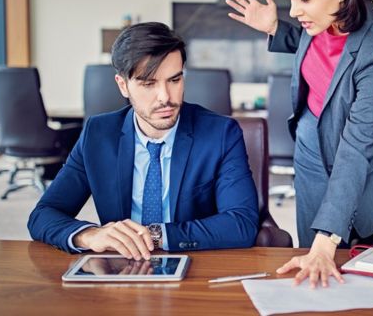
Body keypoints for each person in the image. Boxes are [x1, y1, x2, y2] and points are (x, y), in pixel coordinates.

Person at [226, 0, 373, 287]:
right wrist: (275, 28)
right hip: (309, 151)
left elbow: (356, 146)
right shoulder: (322, 19)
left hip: (358, 168)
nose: (293, 10)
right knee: (312, 271)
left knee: (363, 280)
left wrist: (328, 240)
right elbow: (310, 44)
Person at [28, 22, 259, 260]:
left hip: (195, 264)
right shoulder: (98, 134)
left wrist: (153, 235)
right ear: (123, 85)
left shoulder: (220, 133)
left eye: (174, 80)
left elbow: (242, 223)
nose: (165, 98)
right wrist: (89, 235)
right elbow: (43, 215)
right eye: (148, 84)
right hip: (121, 269)